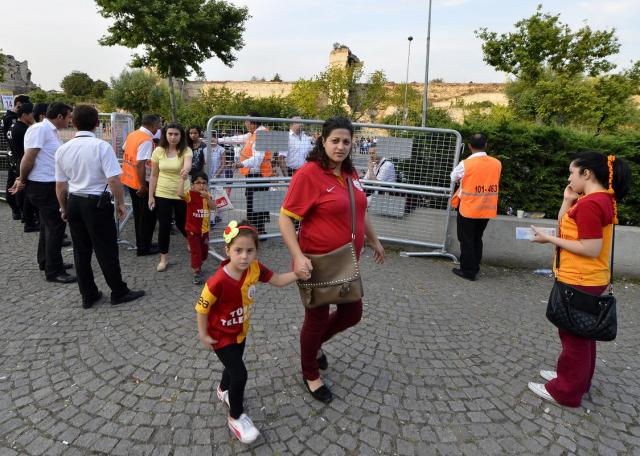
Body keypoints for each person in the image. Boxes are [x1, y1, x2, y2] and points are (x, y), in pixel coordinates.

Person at [278, 116, 385, 403]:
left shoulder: (351, 173)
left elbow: (360, 210)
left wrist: (374, 240)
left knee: (353, 314)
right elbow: (286, 219)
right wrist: (297, 256)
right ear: (322, 141)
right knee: (317, 318)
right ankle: (310, 373)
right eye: (335, 141)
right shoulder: (309, 174)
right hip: (316, 261)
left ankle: (312, 346)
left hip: (347, 261)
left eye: (346, 141)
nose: (340, 147)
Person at [528, 152, 632, 407]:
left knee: (574, 338)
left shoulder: (591, 204)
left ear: (587, 174)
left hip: (581, 279)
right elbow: (566, 225)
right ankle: (574, 379)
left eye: (572, 173)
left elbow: (590, 247)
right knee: (581, 336)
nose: (569, 178)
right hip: (586, 278)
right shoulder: (597, 199)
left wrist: (549, 238)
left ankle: (565, 391)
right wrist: (567, 199)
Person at [195, 220, 308, 443]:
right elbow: (201, 308)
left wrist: (297, 275)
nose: (244, 256)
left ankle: (223, 389)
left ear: (256, 251)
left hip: (240, 332)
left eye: (250, 251)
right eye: (238, 250)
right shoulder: (217, 281)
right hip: (220, 336)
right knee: (240, 373)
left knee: (233, 365)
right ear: (227, 250)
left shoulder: (255, 268)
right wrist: (203, 334)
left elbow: (276, 280)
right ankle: (235, 417)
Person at [55, 105, 146, 308]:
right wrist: (121, 203)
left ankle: (88, 294)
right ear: (97, 123)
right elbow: (114, 180)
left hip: (74, 201)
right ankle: (118, 291)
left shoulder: (62, 149)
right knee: (106, 249)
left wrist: (63, 208)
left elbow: (60, 185)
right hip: (96, 203)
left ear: (73, 122)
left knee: (81, 251)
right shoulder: (101, 147)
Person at [10, 102, 76, 283]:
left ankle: (46, 261)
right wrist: (22, 179)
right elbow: (28, 158)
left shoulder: (50, 131)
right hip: (43, 185)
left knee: (49, 226)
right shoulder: (40, 129)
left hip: (47, 184)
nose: (70, 120)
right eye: (69, 116)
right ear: (60, 116)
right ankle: (54, 271)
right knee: (56, 227)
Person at [449, 133, 502, 281]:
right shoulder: (497, 163)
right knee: (477, 238)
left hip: (468, 208)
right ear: (486, 145)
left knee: (466, 240)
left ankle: (468, 271)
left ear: (470, 146)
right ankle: (475, 267)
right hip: (487, 208)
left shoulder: (466, 164)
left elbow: (453, 177)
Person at [217, 112, 273, 234]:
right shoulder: (253, 134)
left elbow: (258, 159)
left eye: (246, 121)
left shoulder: (262, 134)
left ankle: (258, 231)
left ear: (253, 122)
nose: (245, 124)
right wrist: (217, 140)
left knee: (257, 204)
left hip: (260, 175)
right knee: (253, 202)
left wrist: (241, 164)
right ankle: (255, 229)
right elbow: (236, 139)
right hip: (254, 175)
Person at [148, 122, 192, 272]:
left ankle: (191, 241)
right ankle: (163, 258)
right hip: (162, 192)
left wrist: (185, 171)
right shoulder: (158, 151)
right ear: (165, 135)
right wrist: (151, 196)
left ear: (181, 136)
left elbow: (188, 164)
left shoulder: (186, 150)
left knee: (182, 222)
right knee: (164, 226)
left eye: (176, 134)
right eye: (170, 134)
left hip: (181, 192)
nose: (173, 137)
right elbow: (154, 175)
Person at [121, 114, 162, 256]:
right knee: (147, 216)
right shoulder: (146, 140)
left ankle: (143, 243)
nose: (160, 127)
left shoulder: (133, 135)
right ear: (153, 124)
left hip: (129, 180)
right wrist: (143, 186)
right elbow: (140, 164)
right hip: (141, 183)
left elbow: (124, 149)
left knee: (139, 215)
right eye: (159, 124)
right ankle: (144, 247)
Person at [177, 171, 215, 284]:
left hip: (205, 230)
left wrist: (207, 198)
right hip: (192, 230)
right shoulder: (190, 195)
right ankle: (196, 271)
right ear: (193, 185)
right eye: (198, 183)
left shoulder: (208, 195)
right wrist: (182, 180)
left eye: (204, 183)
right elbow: (179, 194)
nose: (201, 185)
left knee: (204, 252)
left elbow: (214, 207)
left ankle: (198, 263)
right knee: (196, 252)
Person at [7, 103, 39, 231]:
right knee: (26, 193)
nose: (33, 116)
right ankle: (28, 219)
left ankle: (25, 216)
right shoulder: (24, 129)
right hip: (22, 162)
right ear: (25, 115)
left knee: (21, 191)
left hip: (15, 161)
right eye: (31, 113)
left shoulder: (13, 127)